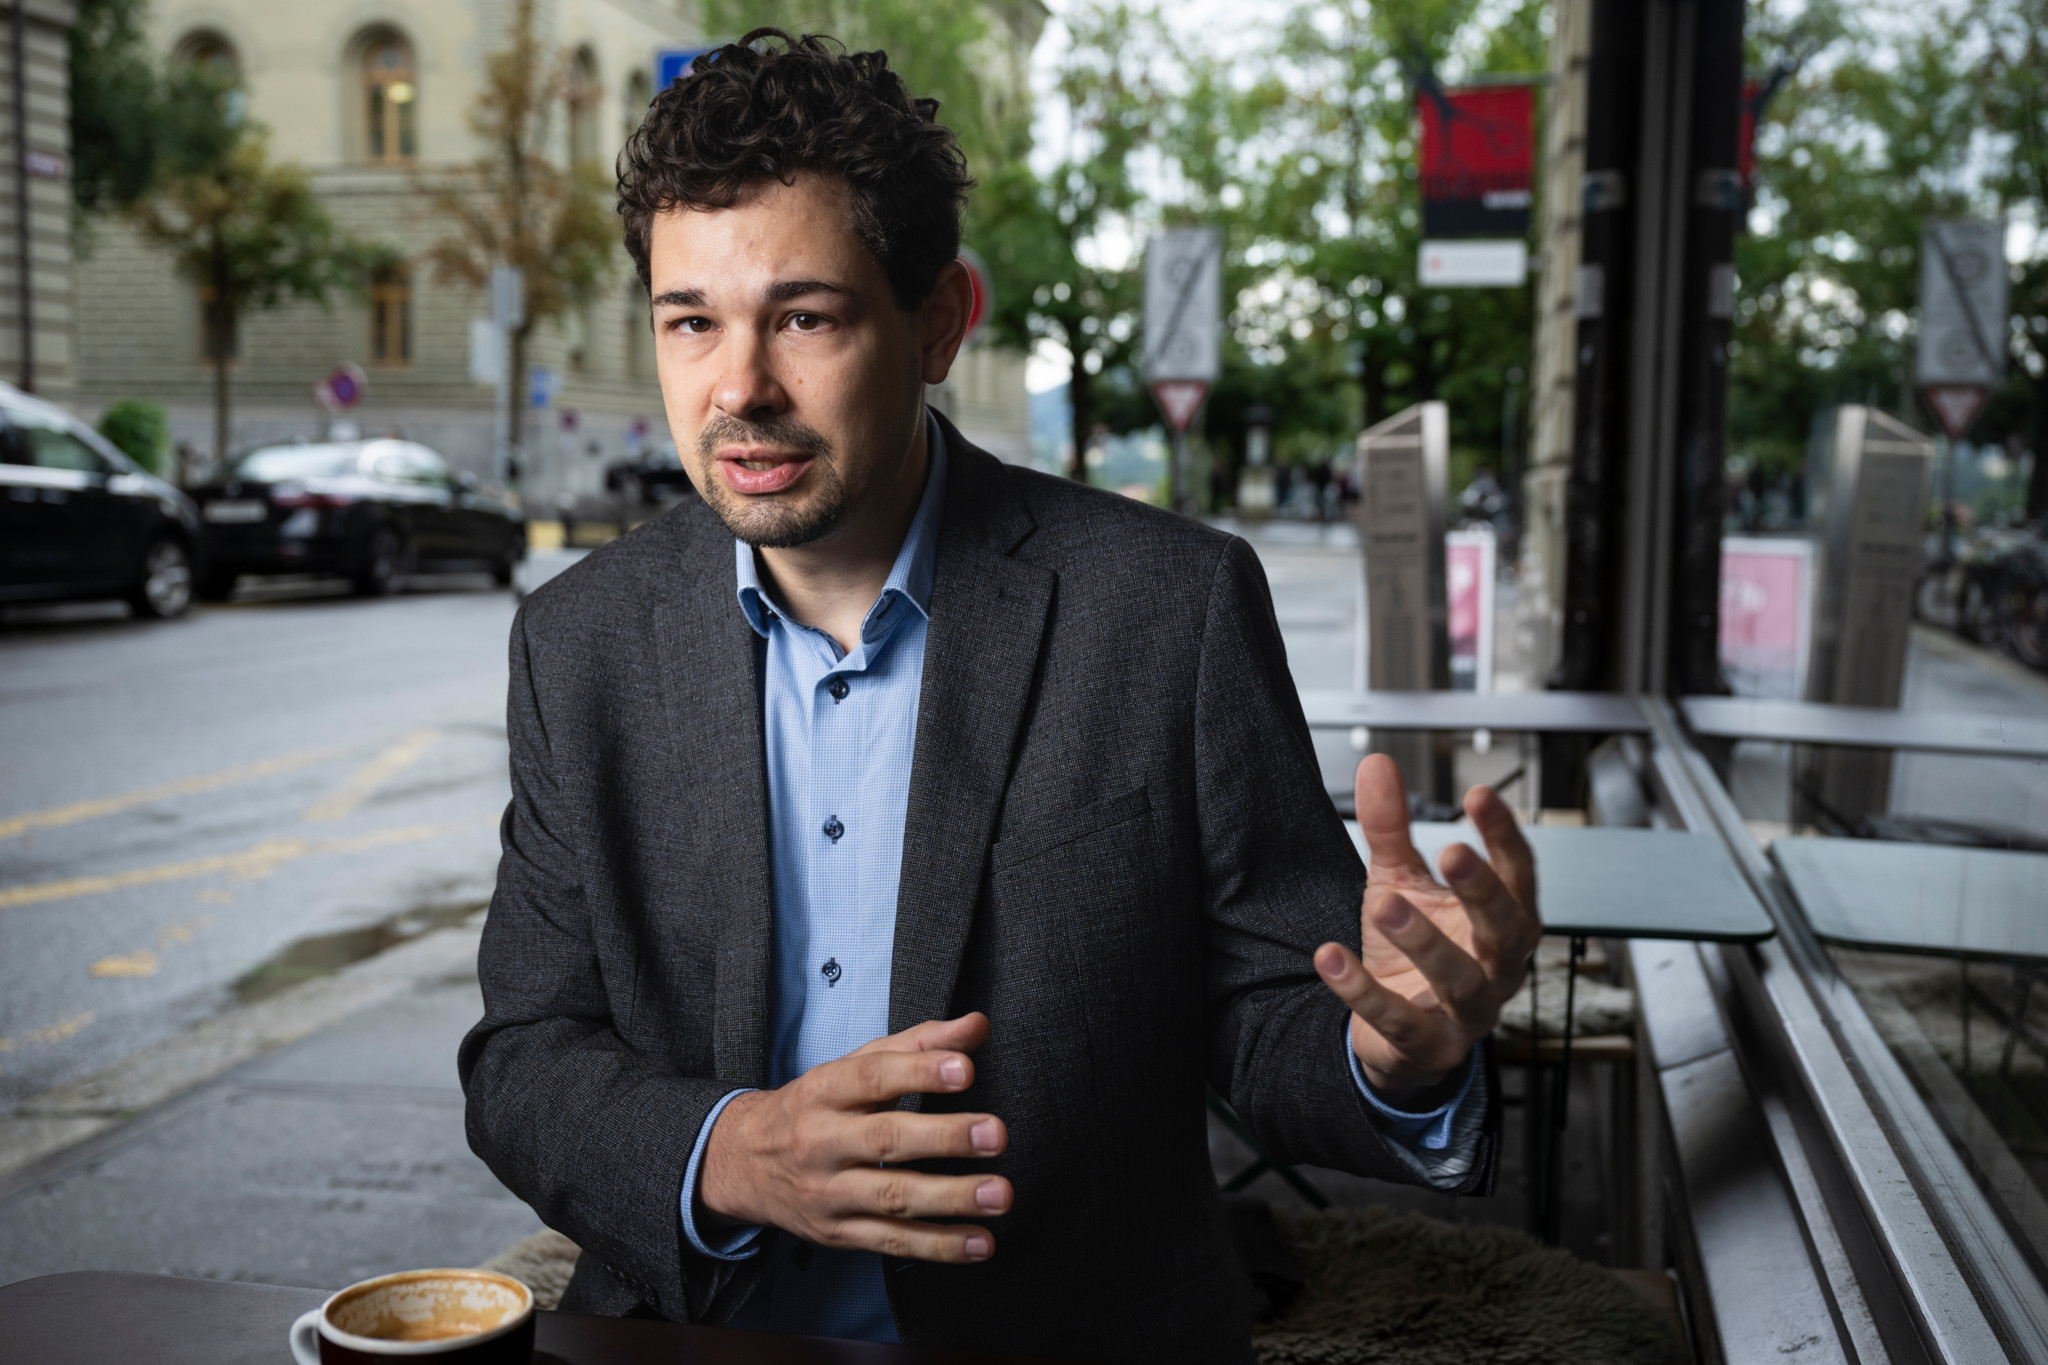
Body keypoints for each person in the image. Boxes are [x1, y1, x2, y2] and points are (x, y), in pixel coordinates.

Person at [459, 31, 1542, 1365]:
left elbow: (1274, 1011)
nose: (738, 387)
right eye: (692, 322)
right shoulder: (581, 644)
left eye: (805, 315)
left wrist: (1402, 1051)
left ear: (937, 323)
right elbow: (524, 1056)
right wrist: (727, 1150)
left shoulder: (1165, 608)